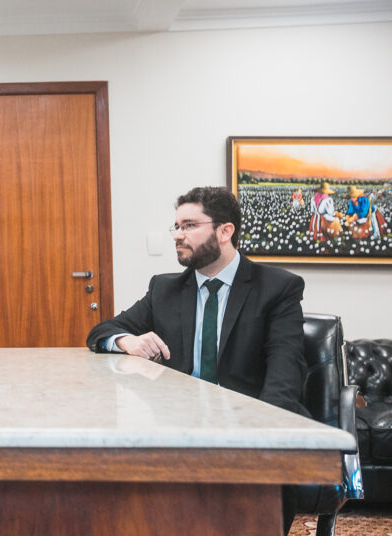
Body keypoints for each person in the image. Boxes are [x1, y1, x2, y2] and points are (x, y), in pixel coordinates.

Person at [86, 186, 309, 534]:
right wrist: (126, 340)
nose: (177, 235)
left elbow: (284, 375)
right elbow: (102, 331)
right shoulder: (164, 289)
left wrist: (260, 440)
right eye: (175, 226)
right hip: (180, 427)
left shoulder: (277, 288)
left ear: (225, 231)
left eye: (189, 225)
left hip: (250, 425)